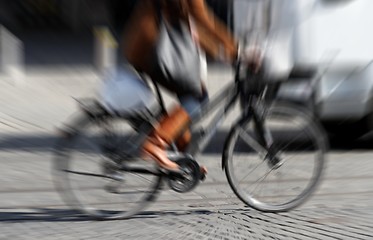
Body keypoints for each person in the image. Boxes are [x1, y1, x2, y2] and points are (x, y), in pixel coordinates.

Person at [122, 0, 260, 173]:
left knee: (188, 99)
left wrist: (223, 52)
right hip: (155, 49)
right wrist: (237, 50)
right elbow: (202, 18)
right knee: (197, 97)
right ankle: (156, 143)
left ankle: (183, 162)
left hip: (148, 44)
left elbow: (192, 24)